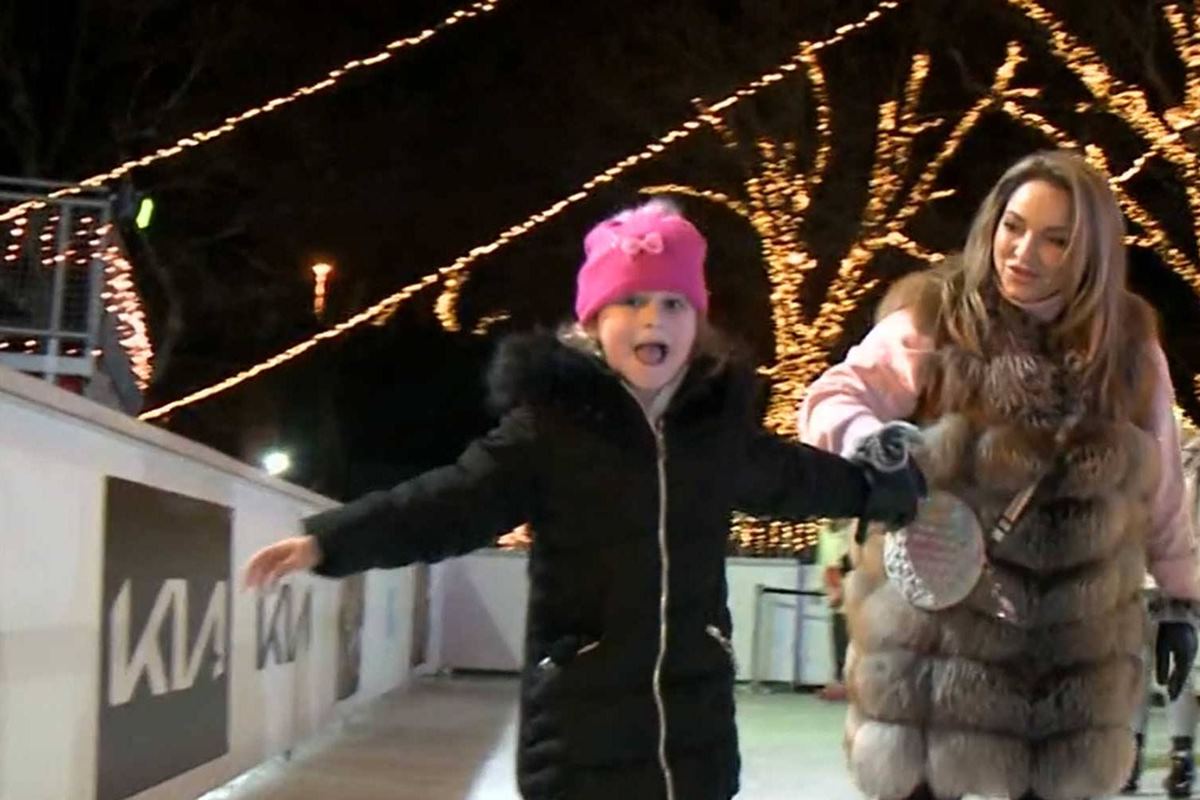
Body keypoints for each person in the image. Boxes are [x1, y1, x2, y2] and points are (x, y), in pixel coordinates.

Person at [243, 199, 925, 800]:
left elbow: (796, 478)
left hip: (694, 726)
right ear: (594, 321)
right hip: (580, 725)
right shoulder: (551, 430)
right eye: (631, 302)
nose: (653, 318)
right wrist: (334, 539)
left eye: (674, 304)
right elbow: (449, 502)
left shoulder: (713, 433)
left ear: (697, 323)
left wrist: (880, 491)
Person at [798, 150, 1200, 800]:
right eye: (1013, 226)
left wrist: (1180, 602)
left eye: (1055, 239)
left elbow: (1163, 493)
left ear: (1091, 254)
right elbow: (834, 397)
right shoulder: (938, 316)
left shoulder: (1126, 349)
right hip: (935, 659)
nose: (1022, 252)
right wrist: (873, 443)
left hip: (1063, 672)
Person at [1124, 434, 1200, 798]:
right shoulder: (1171, 452)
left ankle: (1177, 757)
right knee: (1143, 664)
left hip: (1177, 574)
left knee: (1173, 669)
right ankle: (1139, 755)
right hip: (1151, 573)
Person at [817, 517, 855, 701]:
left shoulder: (857, 529)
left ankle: (854, 684)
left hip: (856, 596)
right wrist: (831, 589)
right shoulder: (825, 533)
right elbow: (827, 566)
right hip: (839, 599)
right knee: (840, 640)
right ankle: (842, 680)